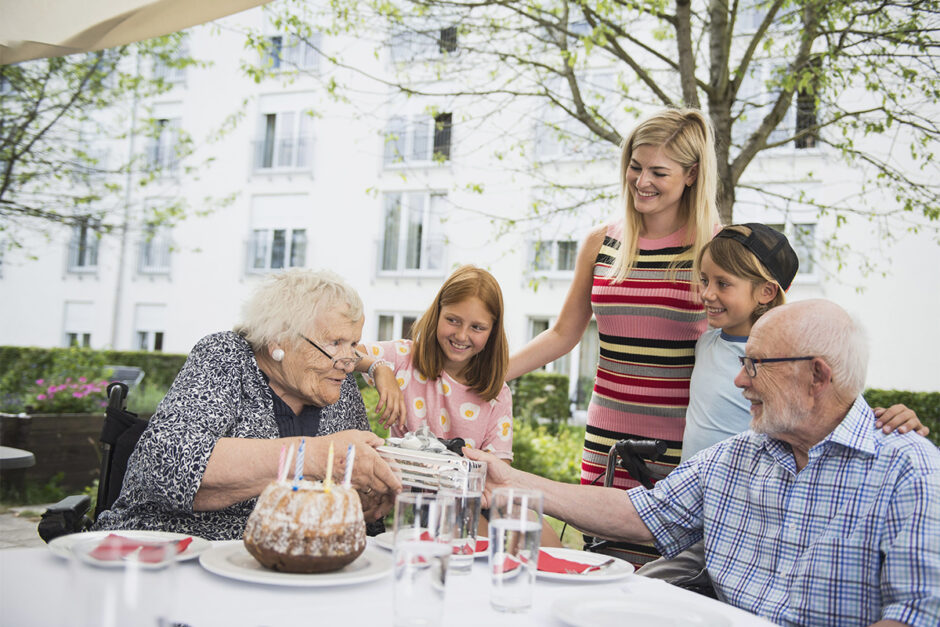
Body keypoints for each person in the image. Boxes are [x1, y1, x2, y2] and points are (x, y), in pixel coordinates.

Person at [466, 299, 940, 626]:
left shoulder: (908, 470)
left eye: (755, 364)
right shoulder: (741, 454)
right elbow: (640, 514)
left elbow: (918, 613)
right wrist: (509, 478)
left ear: (816, 374)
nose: (739, 379)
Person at [638, 223, 929, 587]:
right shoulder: (707, 341)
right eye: (704, 280)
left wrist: (898, 416)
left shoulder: (786, 360)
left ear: (765, 291)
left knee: (646, 588)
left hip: (745, 517)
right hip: (698, 501)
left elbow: (836, 401)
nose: (707, 294)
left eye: (723, 284)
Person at [506, 108, 721, 565]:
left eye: (658, 172)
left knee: (664, 579)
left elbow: (769, 342)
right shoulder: (601, 243)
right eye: (635, 166)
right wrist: (486, 377)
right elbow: (564, 334)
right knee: (602, 565)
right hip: (607, 440)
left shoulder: (716, 250)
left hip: (682, 448)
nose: (642, 181)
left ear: (691, 174)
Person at [94, 269, 403, 540]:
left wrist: (366, 499)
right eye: (335, 343)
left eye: (352, 344)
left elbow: (355, 507)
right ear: (279, 340)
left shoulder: (339, 385)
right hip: (174, 551)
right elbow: (165, 463)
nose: (348, 361)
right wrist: (314, 457)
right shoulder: (226, 357)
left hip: (293, 566)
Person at [363, 265, 513, 459]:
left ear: (492, 331)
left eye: (477, 327)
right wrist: (378, 367)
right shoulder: (404, 358)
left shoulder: (499, 395)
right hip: (397, 488)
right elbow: (342, 352)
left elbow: (499, 473)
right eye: (453, 320)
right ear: (437, 314)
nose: (461, 335)